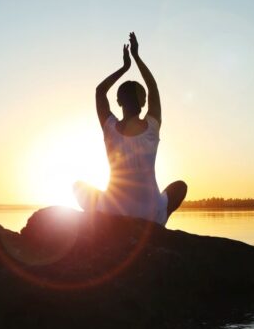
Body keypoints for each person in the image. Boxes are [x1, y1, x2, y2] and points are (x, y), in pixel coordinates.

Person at [73, 32, 188, 225]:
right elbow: (153, 88)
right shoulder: (152, 127)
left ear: (118, 101)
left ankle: (101, 221)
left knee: (78, 186)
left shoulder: (109, 128)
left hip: (113, 211)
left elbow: (100, 91)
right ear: (143, 102)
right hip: (150, 213)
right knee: (180, 187)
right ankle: (160, 220)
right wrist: (137, 57)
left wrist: (125, 67)